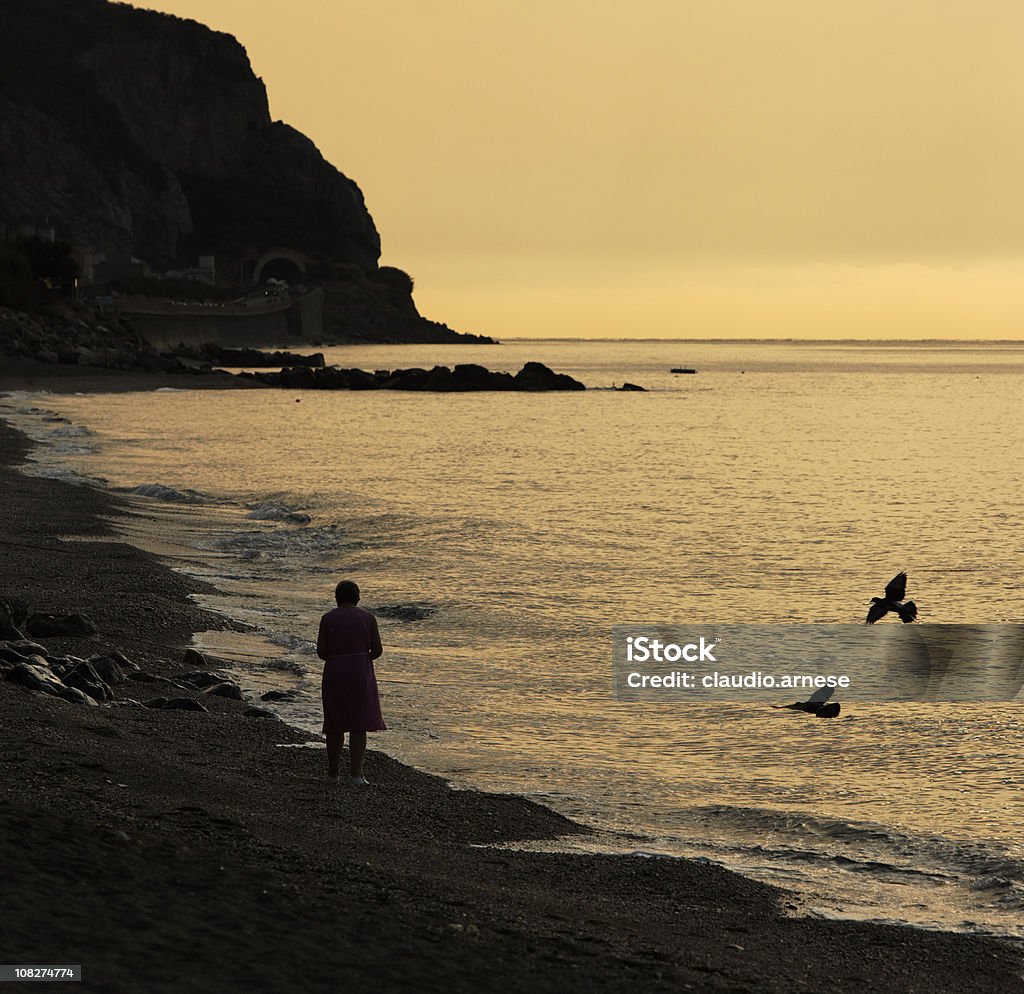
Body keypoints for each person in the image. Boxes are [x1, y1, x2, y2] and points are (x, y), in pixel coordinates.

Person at [316, 579, 385, 786]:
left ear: (337, 598)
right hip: (360, 671)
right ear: (358, 598)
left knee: (335, 724)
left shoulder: (327, 618)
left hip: (335, 670)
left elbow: (321, 652)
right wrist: (361, 657)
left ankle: (333, 773)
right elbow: (378, 650)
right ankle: (356, 774)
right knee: (359, 723)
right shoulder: (368, 618)